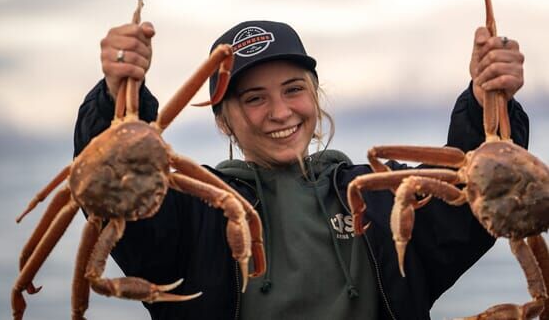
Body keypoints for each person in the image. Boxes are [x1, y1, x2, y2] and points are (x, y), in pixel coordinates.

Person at [74, 19, 528, 319]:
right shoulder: (195, 208)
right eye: (253, 98)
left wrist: (487, 98)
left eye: (293, 89)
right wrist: (116, 98)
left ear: (315, 95)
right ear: (221, 118)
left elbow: (474, 200)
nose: (280, 112)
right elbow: (118, 198)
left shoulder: (381, 192)